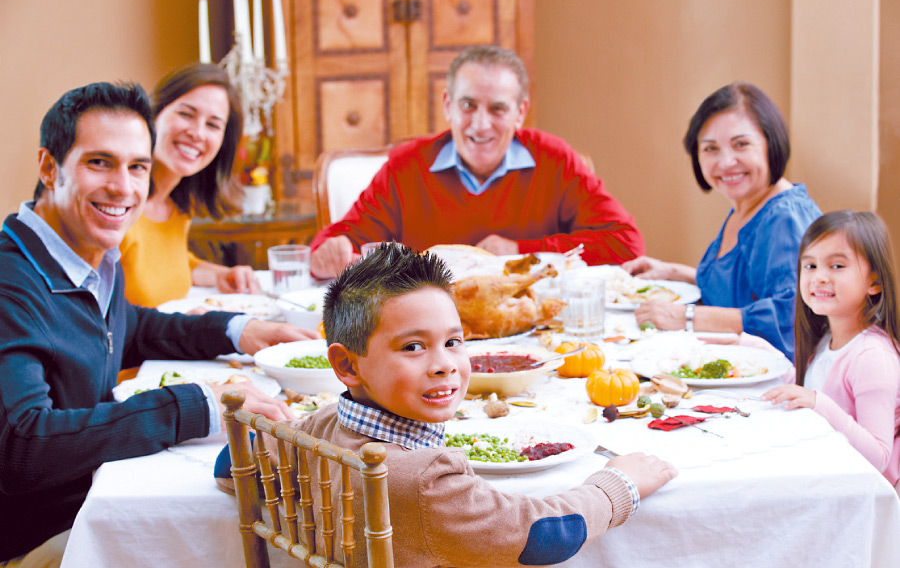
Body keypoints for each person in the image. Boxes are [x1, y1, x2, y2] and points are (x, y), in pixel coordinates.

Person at [0, 81, 317, 564]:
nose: (123, 188)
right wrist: (192, 407)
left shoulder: (88, 257)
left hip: (88, 501)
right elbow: (23, 448)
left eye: (137, 167)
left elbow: (132, 327)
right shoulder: (11, 281)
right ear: (49, 167)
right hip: (42, 539)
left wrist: (237, 330)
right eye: (99, 162)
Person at [266, 243, 675, 567]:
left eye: (453, 342)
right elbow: (543, 537)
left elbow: (232, 466)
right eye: (413, 347)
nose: (444, 365)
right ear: (345, 365)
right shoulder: (425, 480)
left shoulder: (321, 424)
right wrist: (618, 484)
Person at [309, 45, 644, 278]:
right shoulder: (406, 165)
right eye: (468, 105)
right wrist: (330, 252)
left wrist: (520, 251)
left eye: (497, 108)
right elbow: (330, 245)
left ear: (520, 112)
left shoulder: (556, 160)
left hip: (532, 326)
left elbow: (626, 243)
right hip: (428, 333)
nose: (480, 124)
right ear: (447, 106)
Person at [622, 82, 822, 360]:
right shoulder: (748, 206)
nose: (727, 162)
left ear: (771, 143)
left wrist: (687, 316)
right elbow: (746, 291)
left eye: (741, 144)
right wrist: (677, 272)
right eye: (711, 148)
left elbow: (792, 318)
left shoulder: (784, 218)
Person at [762, 211, 900, 485]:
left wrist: (818, 404)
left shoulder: (871, 356)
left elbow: (880, 458)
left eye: (837, 266)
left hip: (867, 500)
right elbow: (812, 386)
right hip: (830, 476)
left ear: (874, 282)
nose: (819, 277)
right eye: (810, 266)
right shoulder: (827, 337)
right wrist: (752, 346)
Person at [118, 63, 259, 307]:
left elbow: (165, 260)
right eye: (186, 114)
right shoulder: (118, 202)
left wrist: (221, 274)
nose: (197, 133)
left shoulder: (178, 204)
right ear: (155, 113)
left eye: (213, 125)